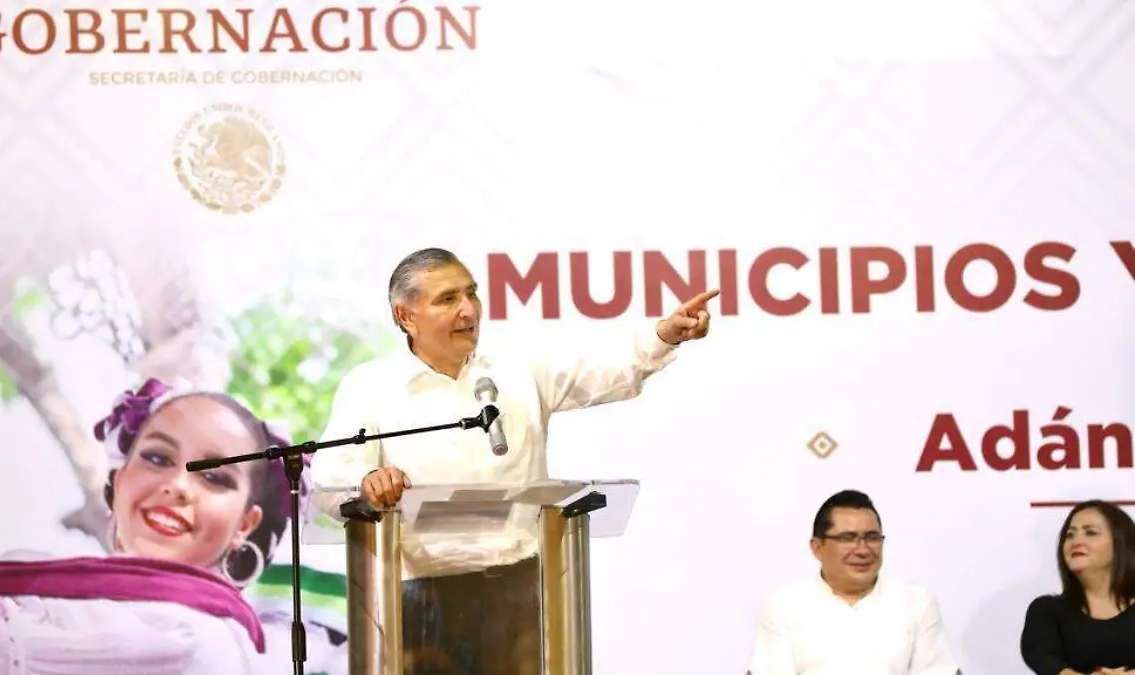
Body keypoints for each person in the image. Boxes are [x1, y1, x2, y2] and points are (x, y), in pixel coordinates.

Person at [310, 246, 717, 674]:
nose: (469, 310)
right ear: (406, 316)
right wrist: (370, 483)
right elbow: (332, 479)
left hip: (522, 590)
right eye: (448, 299)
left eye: (471, 293)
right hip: (418, 598)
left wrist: (664, 336)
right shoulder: (370, 386)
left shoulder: (515, 370)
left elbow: (605, 371)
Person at [0, 378, 346, 675]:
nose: (177, 485)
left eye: (214, 477)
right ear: (119, 479)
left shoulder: (189, 639)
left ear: (244, 524)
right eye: (157, 458)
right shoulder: (32, 573)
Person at [747, 490, 961, 675]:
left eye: (872, 537)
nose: (862, 550)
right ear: (817, 547)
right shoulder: (785, 605)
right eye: (847, 538)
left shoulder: (915, 602)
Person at [1020, 499, 1135, 675]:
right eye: (1070, 535)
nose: (1076, 542)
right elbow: (1042, 657)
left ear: (1121, 542)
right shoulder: (1047, 610)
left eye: (1091, 533)